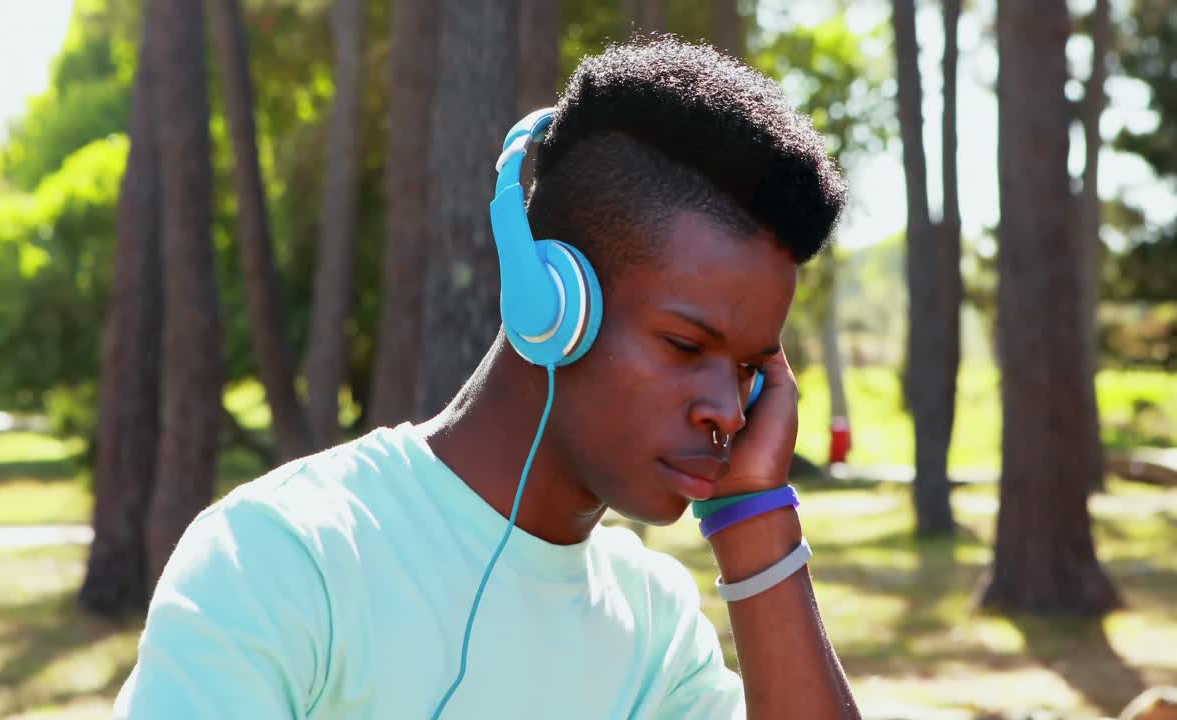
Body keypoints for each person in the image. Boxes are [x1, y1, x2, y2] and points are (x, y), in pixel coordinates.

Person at [114, 37, 860, 719]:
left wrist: (757, 522)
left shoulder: (658, 631)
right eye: (684, 344)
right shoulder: (281, 560)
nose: (729, 411)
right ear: (551, 303)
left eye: (747, 369)